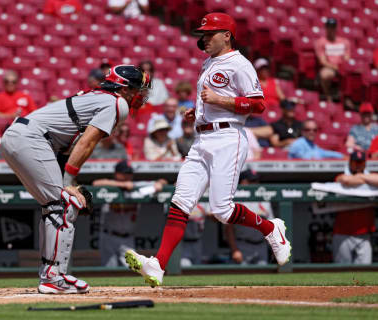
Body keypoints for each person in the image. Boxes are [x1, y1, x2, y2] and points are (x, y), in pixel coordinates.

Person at [125, 13, 291, 288]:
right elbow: (212, 100)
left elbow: (259, 105)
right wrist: (199, 112)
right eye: (203, 34)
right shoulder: (208, 63)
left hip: (228, 137)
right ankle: (158, 265)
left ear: (227, 35)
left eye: (210, 33)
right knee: (180, 201)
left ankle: (271, 228)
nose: (204, 38)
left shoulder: (240, 64)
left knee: (221, 210)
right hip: (202, 138)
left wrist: (220, 100)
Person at [0, 65, 151, 294]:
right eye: (138, 89)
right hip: (32, 139)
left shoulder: (98, 97)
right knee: (64, 205)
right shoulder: (116, 102)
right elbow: (87, 142)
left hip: (22, 137)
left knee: (56, 206)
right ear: (125, 88)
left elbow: (64, 150)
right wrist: (69, 183)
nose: (141, 94)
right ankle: (53, 277)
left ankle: (51, 275)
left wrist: (68, 183)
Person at [92, 160, 167, 267]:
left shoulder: (136, 186)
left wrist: (160, 183)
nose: (128, 176)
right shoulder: (110, 186)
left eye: (129, 173)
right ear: (117, 174)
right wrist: (122, 184)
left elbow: (162, 182)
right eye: (125, 173)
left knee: (133, 269)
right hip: (108, 236)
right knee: (108, 270)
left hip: (128, 239)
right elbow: (96, 183)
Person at [333, 151, 378, 264]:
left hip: (364, 235)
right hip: (342, 233)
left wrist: (360, 176)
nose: (358, 165)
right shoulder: (342, 175)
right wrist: (366, 180)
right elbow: (346, 180)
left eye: (361, 162)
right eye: (355, 162)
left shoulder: (370, 175)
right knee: (341, 273)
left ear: (365, 163)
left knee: (364, 272)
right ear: (350, 163)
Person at [225, 170, 274, 265]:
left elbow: (271, 226)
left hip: (261, 245)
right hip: (243, 245)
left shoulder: (264, 200)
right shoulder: (235, 200)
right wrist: (234, 249)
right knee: (243, 277)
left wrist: (274, 247)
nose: (255, 184)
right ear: (242, 183)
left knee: (263, 276)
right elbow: (228, 229)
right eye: (251, 181)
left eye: (256, 181)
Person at [314, 18, 350, 101]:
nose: (331, 29)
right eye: (329, 27)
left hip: (343, 67)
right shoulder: (321, 42)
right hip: (330, 67)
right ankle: (328, 96)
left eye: (333, 27)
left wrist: (342, 67)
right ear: (326, 28)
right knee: (325, 75)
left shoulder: (344, 42)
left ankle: (348, 99)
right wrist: (335, 67)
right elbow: (322, 61)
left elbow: (347, 57)